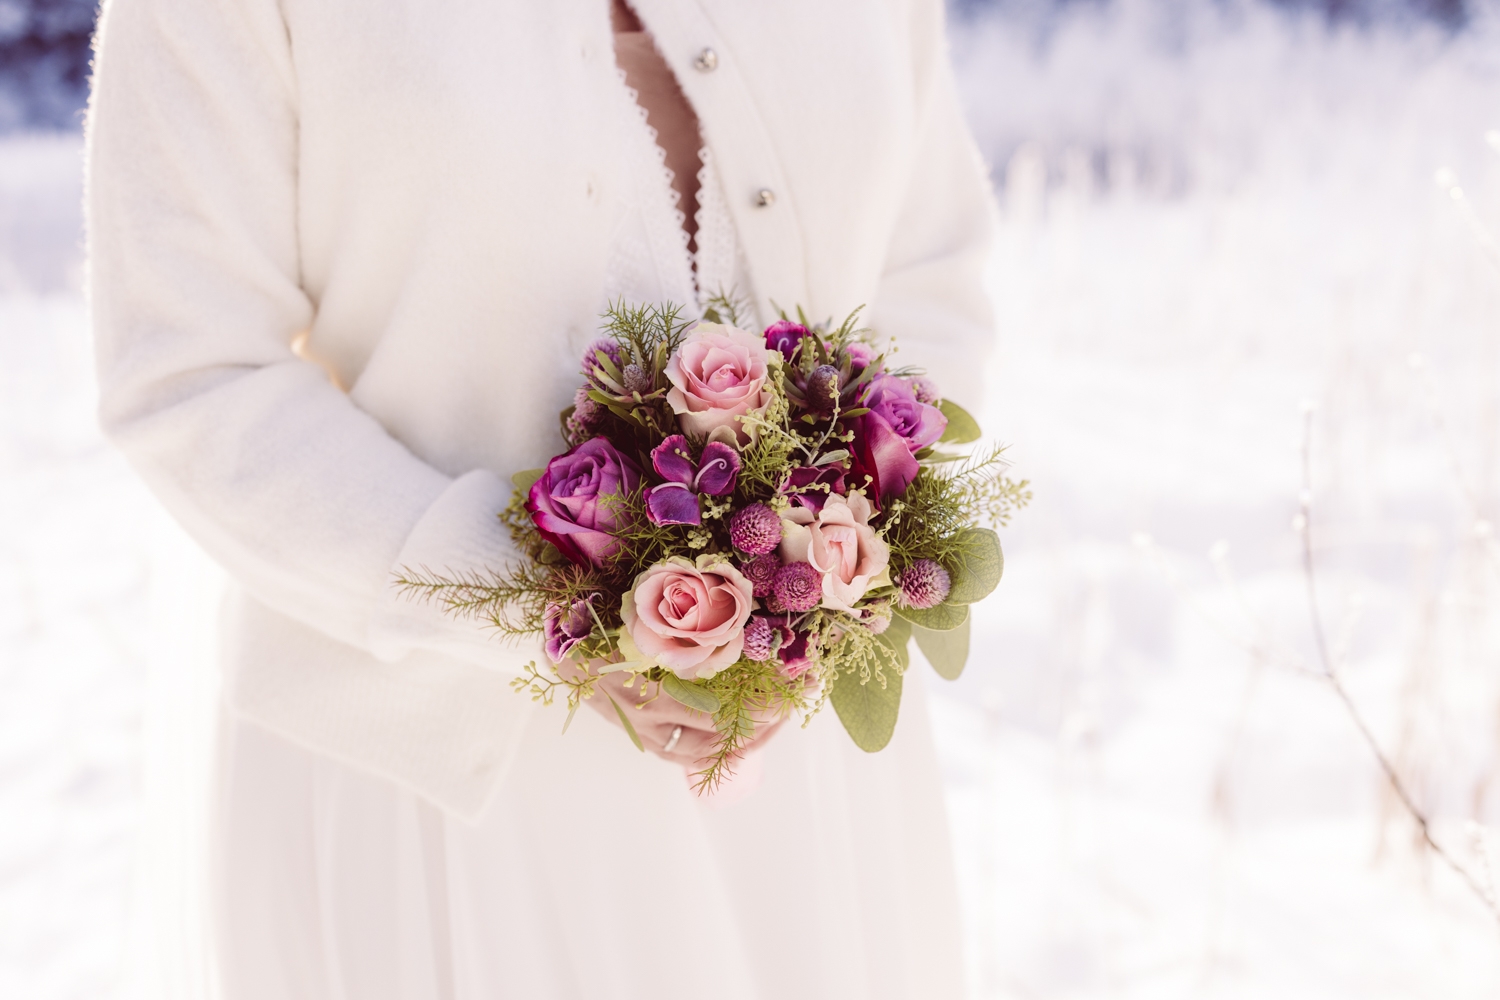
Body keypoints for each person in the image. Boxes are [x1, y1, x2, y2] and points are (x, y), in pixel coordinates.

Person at [87, 0, 997, 996]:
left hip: (807, 792)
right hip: (429, 788)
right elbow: (193, 372)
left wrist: (831, 546)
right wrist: (549, 605)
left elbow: (930, 267)